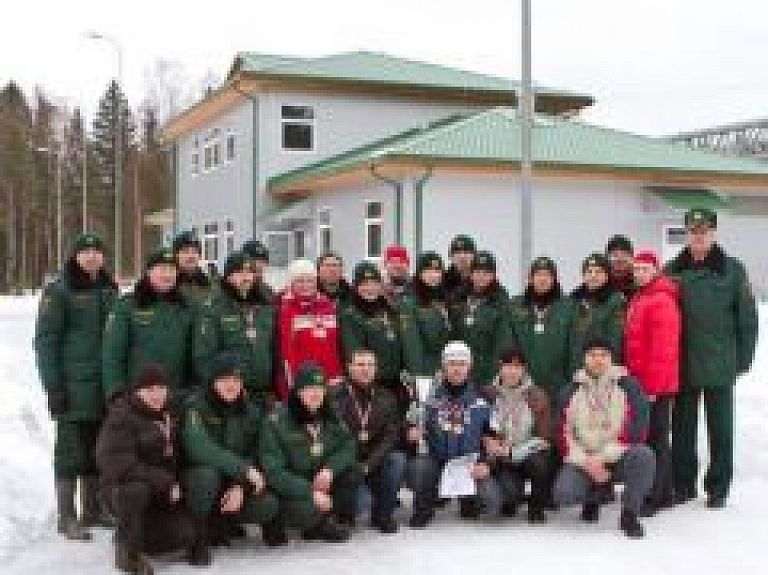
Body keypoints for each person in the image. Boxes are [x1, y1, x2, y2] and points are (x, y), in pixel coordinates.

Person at [665, 208, 758, 508]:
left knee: (721, 431)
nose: (698, 236)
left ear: (714, 233)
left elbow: (747, 319)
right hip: (682, 363)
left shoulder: (733, 269)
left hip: (720, 362)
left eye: (704, 231)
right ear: (687, 234)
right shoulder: (672, 270)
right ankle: (683, 485)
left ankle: (718, 488)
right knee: (682, 430)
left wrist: (742, 360)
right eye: (693, 231)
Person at [34, 232, 118, 540]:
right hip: (71, 389)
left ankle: (93, 510)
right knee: (70, 452)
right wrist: (53, 387)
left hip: (102, 388)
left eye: (98, 251)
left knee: (98, 450)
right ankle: (66, 517)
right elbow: (45, 342)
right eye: (86, 252)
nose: (93, 257)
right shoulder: (58, 292)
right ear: (75, 256)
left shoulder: (110, 290)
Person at [96, 363, 209, 573]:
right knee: (135, 489)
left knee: (184, 534)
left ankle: (135, 533)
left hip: (158, 494)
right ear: (137, 391)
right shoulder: (121, 417)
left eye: (161, 388)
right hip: (120, 491)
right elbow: (118, 464)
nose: (156, 395)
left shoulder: (169, 415)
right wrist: (164, 481)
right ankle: (128, 552)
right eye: (149, 390)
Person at [554, 337, 654, 538]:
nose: (598, 360)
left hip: (618, 456)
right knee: (564, 493)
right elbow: (563, 436)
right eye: (592, 355)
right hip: (585, 460)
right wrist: (586, 461)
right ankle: (595, 497)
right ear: (584, 358)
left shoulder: (629, 387)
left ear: (611, 358)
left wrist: (602, 458)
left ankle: (630, 514)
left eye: (603, 355)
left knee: (643, 456)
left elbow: (637, 432)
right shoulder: (570, 391)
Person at [181, 353, 283, 548]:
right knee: (206, 475)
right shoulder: (196, 406)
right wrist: (244, 470)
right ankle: (198, 532)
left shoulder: (250, 410)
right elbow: (199, 448)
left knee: (267, 504)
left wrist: (240, 486)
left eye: (236, 380)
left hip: (231, 482)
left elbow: (257, 451)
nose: (231, 385)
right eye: (225, 379)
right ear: (213, 381)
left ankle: (223, 523)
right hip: (196, 483)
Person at [260, 362, 361, 542]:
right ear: (298, 391)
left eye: (320, 388)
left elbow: (349, 445)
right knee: (307, 509)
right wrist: (310, 492)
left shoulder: (330, 414)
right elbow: (274, 473)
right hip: (288, 488)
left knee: (353, 471)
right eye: (309, 389)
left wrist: (330, 469)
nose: (316, 394)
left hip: (317, 478)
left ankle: (321, 521)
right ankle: (277, 521)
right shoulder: (276, 421)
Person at [406, 342, 491, 528]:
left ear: (469, 366)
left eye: (462, 363)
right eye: (452, 363)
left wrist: (485, 461)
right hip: (436, 457)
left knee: (480, 506)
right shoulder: (427, 395)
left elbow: (492, 434)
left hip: (468, 461)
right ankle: (423, 508)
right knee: (420, 468)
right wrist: (410, 431)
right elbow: (410, 422)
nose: (457, 369)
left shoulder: (483, 396)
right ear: (444, 366)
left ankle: (467, 499)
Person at [624, 249, 681, 514]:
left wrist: (652, 389)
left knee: (655, 439)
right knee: (652, 438)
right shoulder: (641, 297)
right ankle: (664, 492)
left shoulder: (661, 300)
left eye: (645, 269)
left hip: (655, 386)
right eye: (636, 270)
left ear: (656, 270)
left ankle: (655, 496)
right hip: (642, 383)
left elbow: (664, 350)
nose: (640, 274)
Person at [102, 247, 196, 406]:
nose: (168, 275)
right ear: (149, 272)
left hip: (176, 399)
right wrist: (116, 393)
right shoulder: (127, 305)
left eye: (172, 269)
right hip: (136, 401)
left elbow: (196, 353)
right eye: (162, 269)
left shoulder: (188, 307)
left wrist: (193, 390)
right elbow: (112, 355)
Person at [479, 348, 554, 523]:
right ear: (500, 367)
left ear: (524, 369)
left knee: (540, 463)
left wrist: (515, 452)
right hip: (499, 458)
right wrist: (489, 442)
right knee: (509, 499)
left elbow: (545, 437)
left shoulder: (537, 395)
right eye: (507, 366)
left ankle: (537, 506)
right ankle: (511, 494)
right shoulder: (487, 393)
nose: (512, 371)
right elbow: (480, 427)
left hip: (525, 455)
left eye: (517, 367)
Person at [332, 349, 402, 533]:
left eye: (370, 365)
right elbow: (332, 437)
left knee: (397, 460)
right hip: (347, 462)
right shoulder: (334, 396)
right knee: (360, 504)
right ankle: (345, 515)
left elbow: (390, 437)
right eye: (360, 365)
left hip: (374, 461)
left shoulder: (387, 397)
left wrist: (368, 465)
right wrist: (352, 464)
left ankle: (383, 515)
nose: (366, 369)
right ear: (350, 368)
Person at [195, 252, 275, 407]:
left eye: (249, 272)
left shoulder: (264, 307)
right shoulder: (213, 309)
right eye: (239, 272)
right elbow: (205, 358)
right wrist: (225, 389)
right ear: (228, 276)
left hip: (263, 396)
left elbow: (273, 350)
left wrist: (273, 388)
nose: (246, 277)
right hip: (230, 395)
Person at [340, 262, 406, 410]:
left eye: (374, 283)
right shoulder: (351, 315)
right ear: (356, 286)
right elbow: (354, 353)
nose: (370, 288)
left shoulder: (388, 310)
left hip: (394, 384)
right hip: (370, 387)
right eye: (364, 283)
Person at [275, 259, 343, 402]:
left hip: (331, 381)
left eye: (310, 280)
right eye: (300, 281)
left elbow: (335, 344)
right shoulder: (285, 308)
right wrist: (292, 384)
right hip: (302, 384)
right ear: (291, 283)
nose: (305, 285)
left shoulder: (327, 305)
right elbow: (286, 352)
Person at [508, 256, 574, 398]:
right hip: (522, 384)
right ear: (530, 279)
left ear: (555, 279)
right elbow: (508, 343)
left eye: (547, 275)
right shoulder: (515, 305)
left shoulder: (569, 307)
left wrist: (571, 384)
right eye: (538, 274)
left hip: (559, 385)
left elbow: (574, 347)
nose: (542, 279)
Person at [449, 251, 512, 388]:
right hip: (458, 371)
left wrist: (492, 377)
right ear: (471, 274)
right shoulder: (458, 297)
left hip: (486, 375)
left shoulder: (501, 302)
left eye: (486, 273)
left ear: (493, 276)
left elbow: (502, 343)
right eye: (477, 272)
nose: (481, 277)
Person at [569, 253, 626, 374]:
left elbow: (615, 340)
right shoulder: (574, 299)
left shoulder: (615, 301)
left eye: (598, 272)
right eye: (589, 272)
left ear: (606, 276)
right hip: (575, 367)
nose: (593, 276)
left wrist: (609, 369)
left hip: (601, 368)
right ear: (583, 275)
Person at [400, 251, 453, 380]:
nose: (433, 275)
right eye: (428, 271)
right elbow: (412, 345)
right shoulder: (410, 301)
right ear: (419, 273)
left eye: (437, 271)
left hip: (446, 371)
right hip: (424, 372)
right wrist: (419, 377)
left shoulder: (443, 298)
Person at [173, 230, 215, 309]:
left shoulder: (209, 283)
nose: (191, 256)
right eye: (185, 252)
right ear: (176, 255)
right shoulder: (169, 283)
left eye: (195, 252)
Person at [444, 234, 476, 303]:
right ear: (451, 256)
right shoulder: (442, 280)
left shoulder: (484, 279)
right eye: (457, 252)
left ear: (474, 256)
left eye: (466, 252)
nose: (462, 256)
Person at [605, 234, 636, 299]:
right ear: (607, 257)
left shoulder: (640, 281)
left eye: (624, 255)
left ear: (632, 257)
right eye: (615, 255)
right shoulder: (599, 281)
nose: (619, 259)